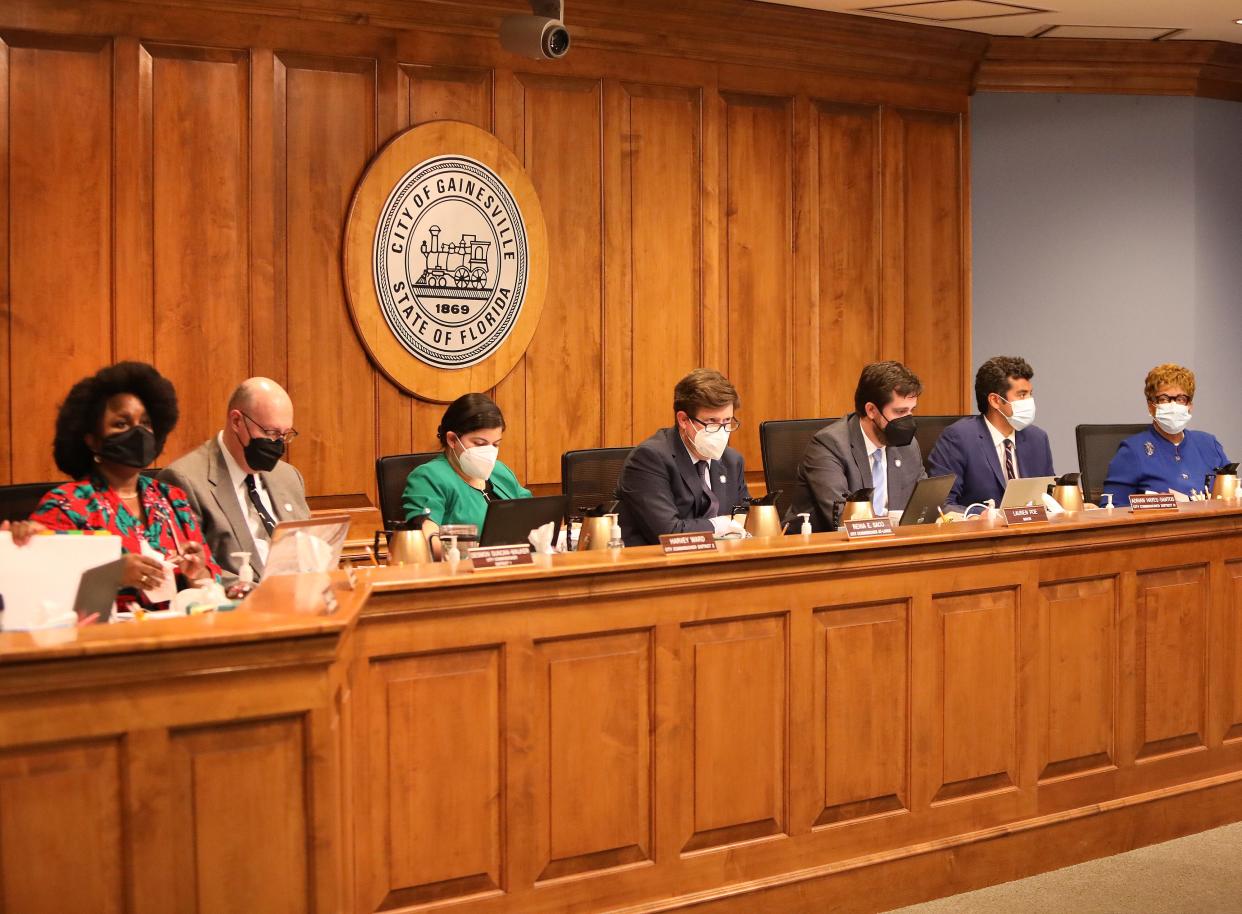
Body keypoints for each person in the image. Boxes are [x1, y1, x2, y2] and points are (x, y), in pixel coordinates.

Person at [2, 362, 220, 610]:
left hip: (183, 636)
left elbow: (212, 581)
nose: (138, 433)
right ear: (92, 440)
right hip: (104, 641)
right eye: (121, 424)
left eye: (146, 423)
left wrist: (197, 571)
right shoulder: (66, 505)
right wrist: (111, 576)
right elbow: (44, 590)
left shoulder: (173, 499)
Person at [159, 378, 310, 585]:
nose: (278, 444)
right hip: (239, 608)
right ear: (237, 421)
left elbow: (312, 551)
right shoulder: (184, 481)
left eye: (285, 435)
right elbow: (192, 570)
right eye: (270, 433)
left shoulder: (289, 477)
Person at [789, 360, 927, 531]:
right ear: (871, 410)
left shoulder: (908, 446)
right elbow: (845, 518)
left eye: (911, 410)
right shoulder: (829, 445)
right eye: (900, 412)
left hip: (892, 548)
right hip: (828, 551)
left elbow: (924, 506)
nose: (908, 420)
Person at [617, 369, 749, 546]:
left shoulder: (732, 461)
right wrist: (721, 524)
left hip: (720, 563)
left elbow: (745, 517)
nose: (721, 432)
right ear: (684, 420)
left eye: (727, 421)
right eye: (711, 421)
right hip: (658, 567)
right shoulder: (649, 459)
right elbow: (668, 532)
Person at [929, 356, 1054, 511]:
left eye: (1030, 394)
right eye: (1022, 395)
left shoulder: (1037, 438)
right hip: (981, 531)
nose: (1029, 401)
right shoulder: (958, 438)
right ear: (995, 400)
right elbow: (942, 504)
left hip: (1030, 531)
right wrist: (981, 516)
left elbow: (1049, 496)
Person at [402, 393, 531, 542]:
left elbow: (533, 518)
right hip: (461, 563)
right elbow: (428, 541)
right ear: (452, 439)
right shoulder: (428, 477)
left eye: (496, 444)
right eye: (479, 443)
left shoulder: (501, 471)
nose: (489, 452)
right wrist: (471, 552)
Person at [1103, 363, 1230, 506]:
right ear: (1151, 407)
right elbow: (1111, 509)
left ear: (1190, 406)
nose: (1173, 405)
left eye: (1181, 399)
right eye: (1164, 399)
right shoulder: (1132, 451)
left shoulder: (1209, 444)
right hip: (1159, 526)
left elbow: (1232, 496)